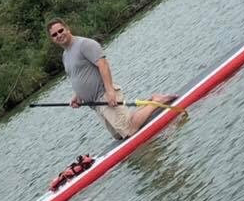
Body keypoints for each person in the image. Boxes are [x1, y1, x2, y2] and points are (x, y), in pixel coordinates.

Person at [47, 18, 177, 139]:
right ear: (52, 39)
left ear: (67, 29)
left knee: (129, 130)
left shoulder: (84, 44)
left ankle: (157, 101)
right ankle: (150, 101)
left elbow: (103, 65)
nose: (59, 35)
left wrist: (110, 91)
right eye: (54, 34)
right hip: (96, 104)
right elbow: (77, 75)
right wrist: (77, 95)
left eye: (60, 30)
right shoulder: (65, 55)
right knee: (119, 136)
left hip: (104, 95)